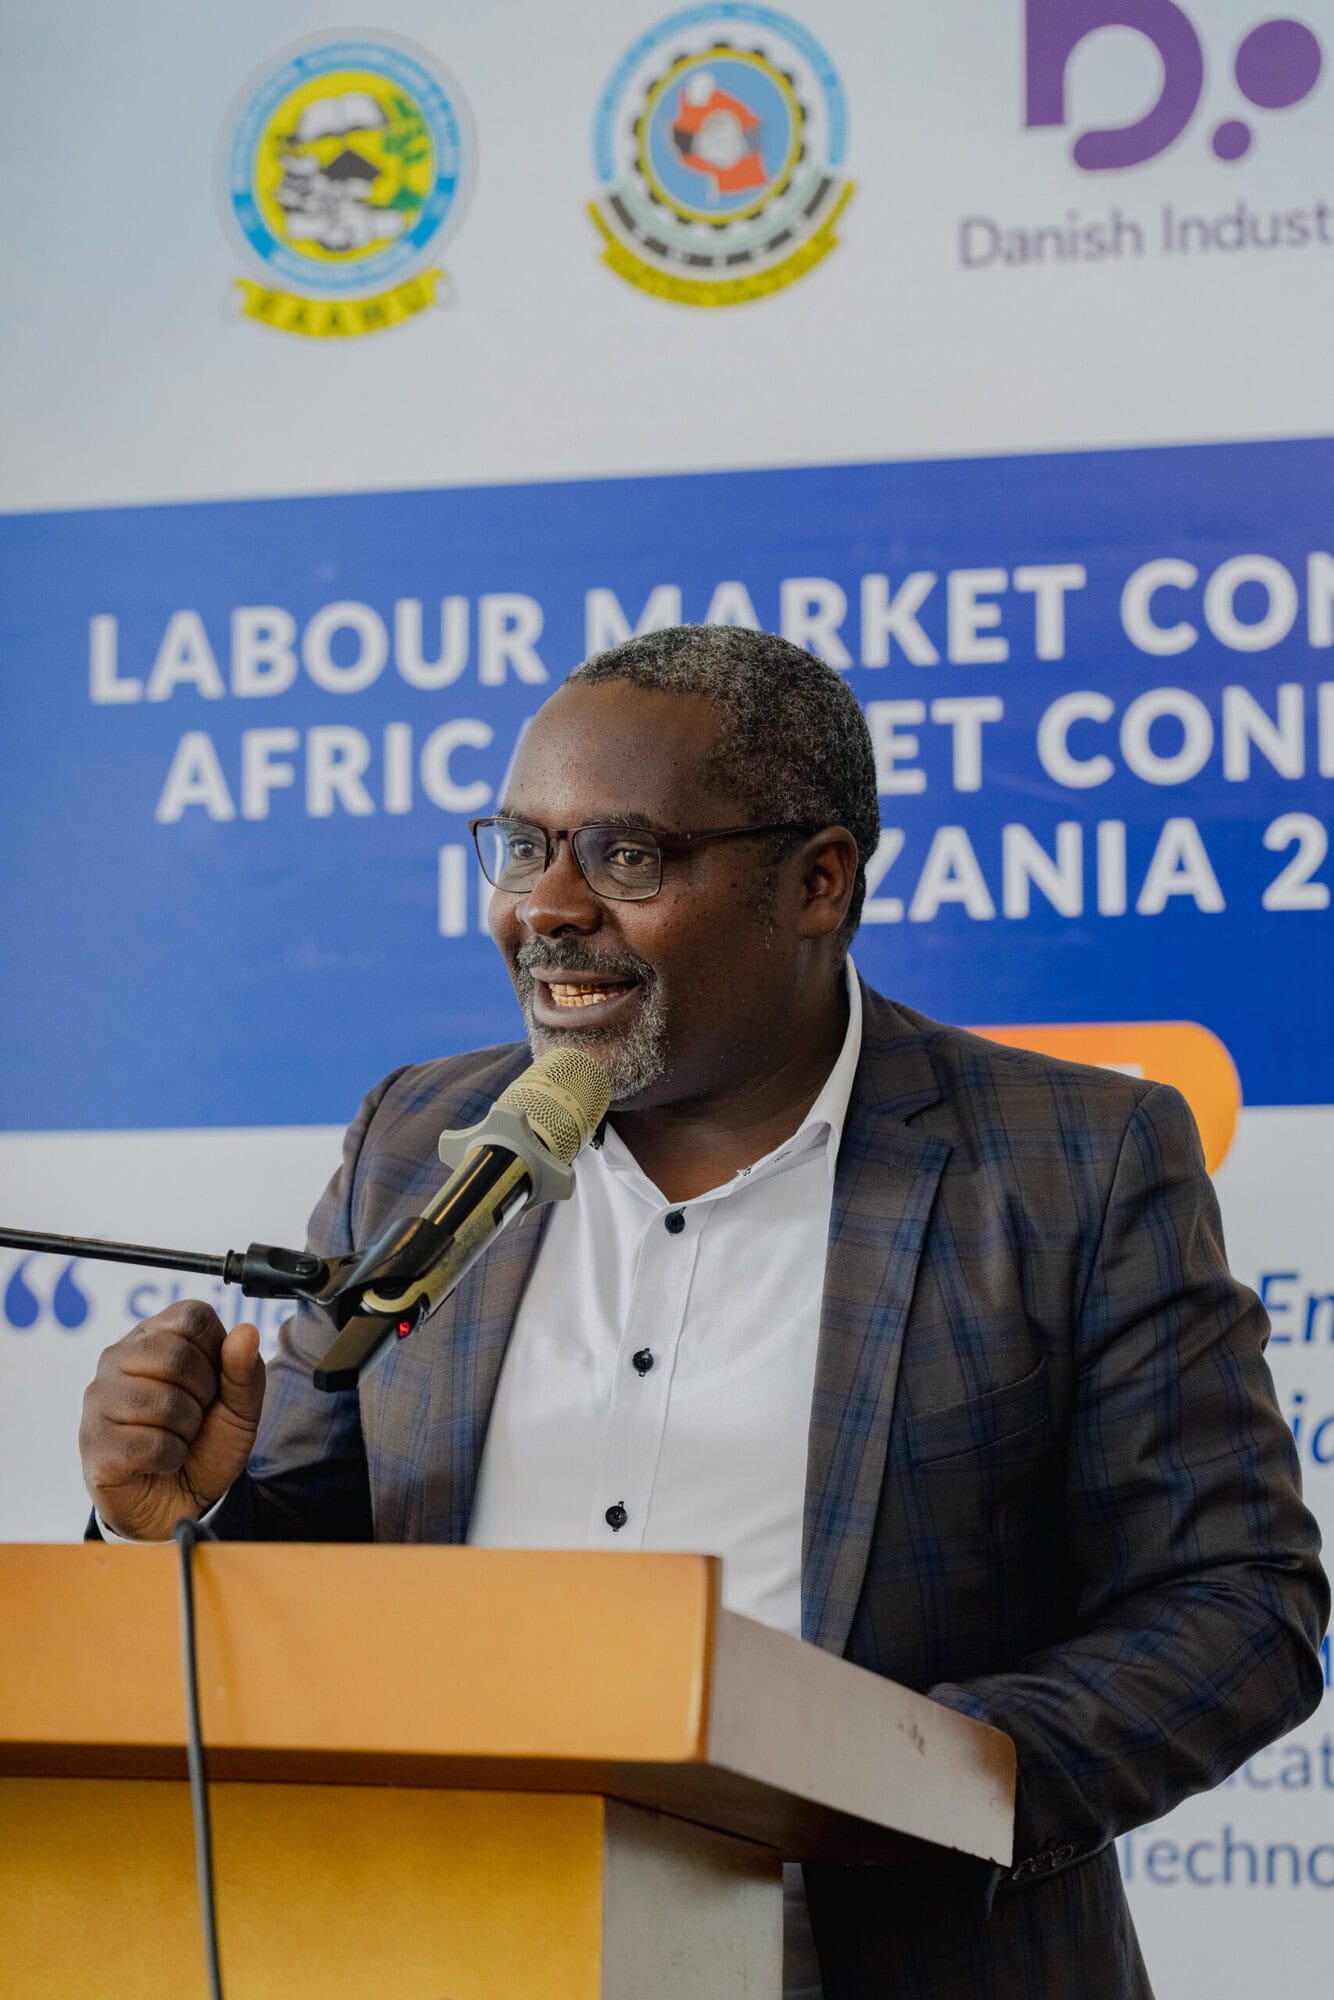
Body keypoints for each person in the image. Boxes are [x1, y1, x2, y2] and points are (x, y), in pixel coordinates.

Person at [80, 626, 1327, 1998]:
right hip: (442, 1933)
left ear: (816, 882)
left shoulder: (1071, 1160)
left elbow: (1235, 1600)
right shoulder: (417, 1139)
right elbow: (310, 1552)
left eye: (626, 857)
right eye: (522, 846)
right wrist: (182, 1518)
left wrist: (918, 1780)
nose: (547, 908)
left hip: (894, 1958)